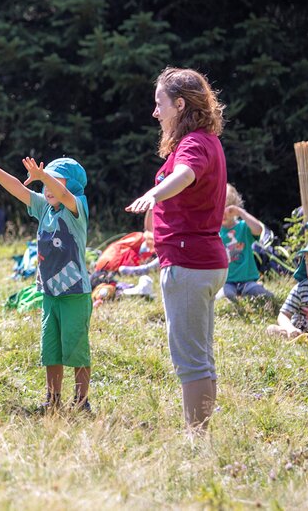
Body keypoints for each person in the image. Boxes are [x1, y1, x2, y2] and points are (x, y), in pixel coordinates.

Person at [126, 67, 228, 432]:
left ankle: (195, 440)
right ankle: (200, 434)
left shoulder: (194, 144)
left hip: (190, 263)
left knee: (191, 361)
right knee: (200, 356)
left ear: (180, 105)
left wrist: (153, 194)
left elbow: (184, 175)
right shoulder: (203, 140)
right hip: (201, 261)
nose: (155, 112)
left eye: (160, 104)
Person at [0, 151, 92, 413]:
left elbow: (64, 196)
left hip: (76, 293)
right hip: (50, 294)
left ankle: (82, 402)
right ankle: (53, 399)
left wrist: (43, 175)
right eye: (44, 182)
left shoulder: (77, 207)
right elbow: (18, 189)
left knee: (77, 348)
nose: (47, 187)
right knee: (50, 349)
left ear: (71, 185)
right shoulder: (43, 208)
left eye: (55, 180)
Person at [217, 184, 273, 304]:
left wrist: (241, 212)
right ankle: (235, 298)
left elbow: (258, 229)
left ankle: (250, 292)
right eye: (219, 207)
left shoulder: (243, 227)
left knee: (264, 295)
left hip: (248, 281)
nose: (223, 212)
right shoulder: (215, 232)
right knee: (225, 297)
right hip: (227, 282)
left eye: (227, 207)